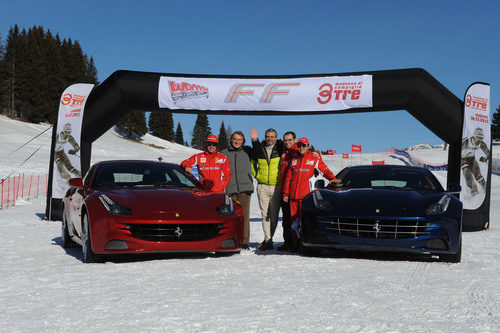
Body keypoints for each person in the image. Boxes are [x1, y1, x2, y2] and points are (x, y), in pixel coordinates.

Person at [283, 138, 340, 251]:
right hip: (293, 197)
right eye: (299, 145)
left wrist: (332, 178)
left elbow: (324, 170)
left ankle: (305, 245)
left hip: (306, 198)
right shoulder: (293, 160)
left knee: (305, 222)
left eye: (304, 145)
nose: (301, 147)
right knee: (294, 224)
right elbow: (288, 179)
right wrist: (286, 193)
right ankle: (295, 246)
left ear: (308, 146)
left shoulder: (314, 159)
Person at [250, 127, 285, 250]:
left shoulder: (280, 147)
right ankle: (268, 240)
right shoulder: (260, 148)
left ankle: (270, 238)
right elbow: (252, 162)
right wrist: (256, 175)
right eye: (267, 136)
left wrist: (315, 153)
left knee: (274, 215)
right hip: (262, 186)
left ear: (276, 137)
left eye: (272, 136)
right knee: (265, 215)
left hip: (276, 186)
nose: (269, 139)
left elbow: (295, 150)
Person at [221, 131, 254, 250]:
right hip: (230, 189)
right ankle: (233, 239)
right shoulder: (224, 153)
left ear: (243, 141)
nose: (237, 142)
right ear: (231, 139)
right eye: (235, 139)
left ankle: (244, 241)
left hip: (245, 188)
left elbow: (259, 152)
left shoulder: (247, 151)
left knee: (244, 215)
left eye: (240, 140)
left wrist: (254, 140)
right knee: (232, 216)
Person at [461, 127, 490, 196]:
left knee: (478, 175)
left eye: (481, 138)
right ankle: (474, 191)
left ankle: (486, 189)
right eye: (478, 137)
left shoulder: (481, 143)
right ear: (474, 135)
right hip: (463, 159)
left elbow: (488, 153)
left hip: (472, 159)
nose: (479, 140)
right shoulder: (467, 141)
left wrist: (485, 158)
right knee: (467, 173)